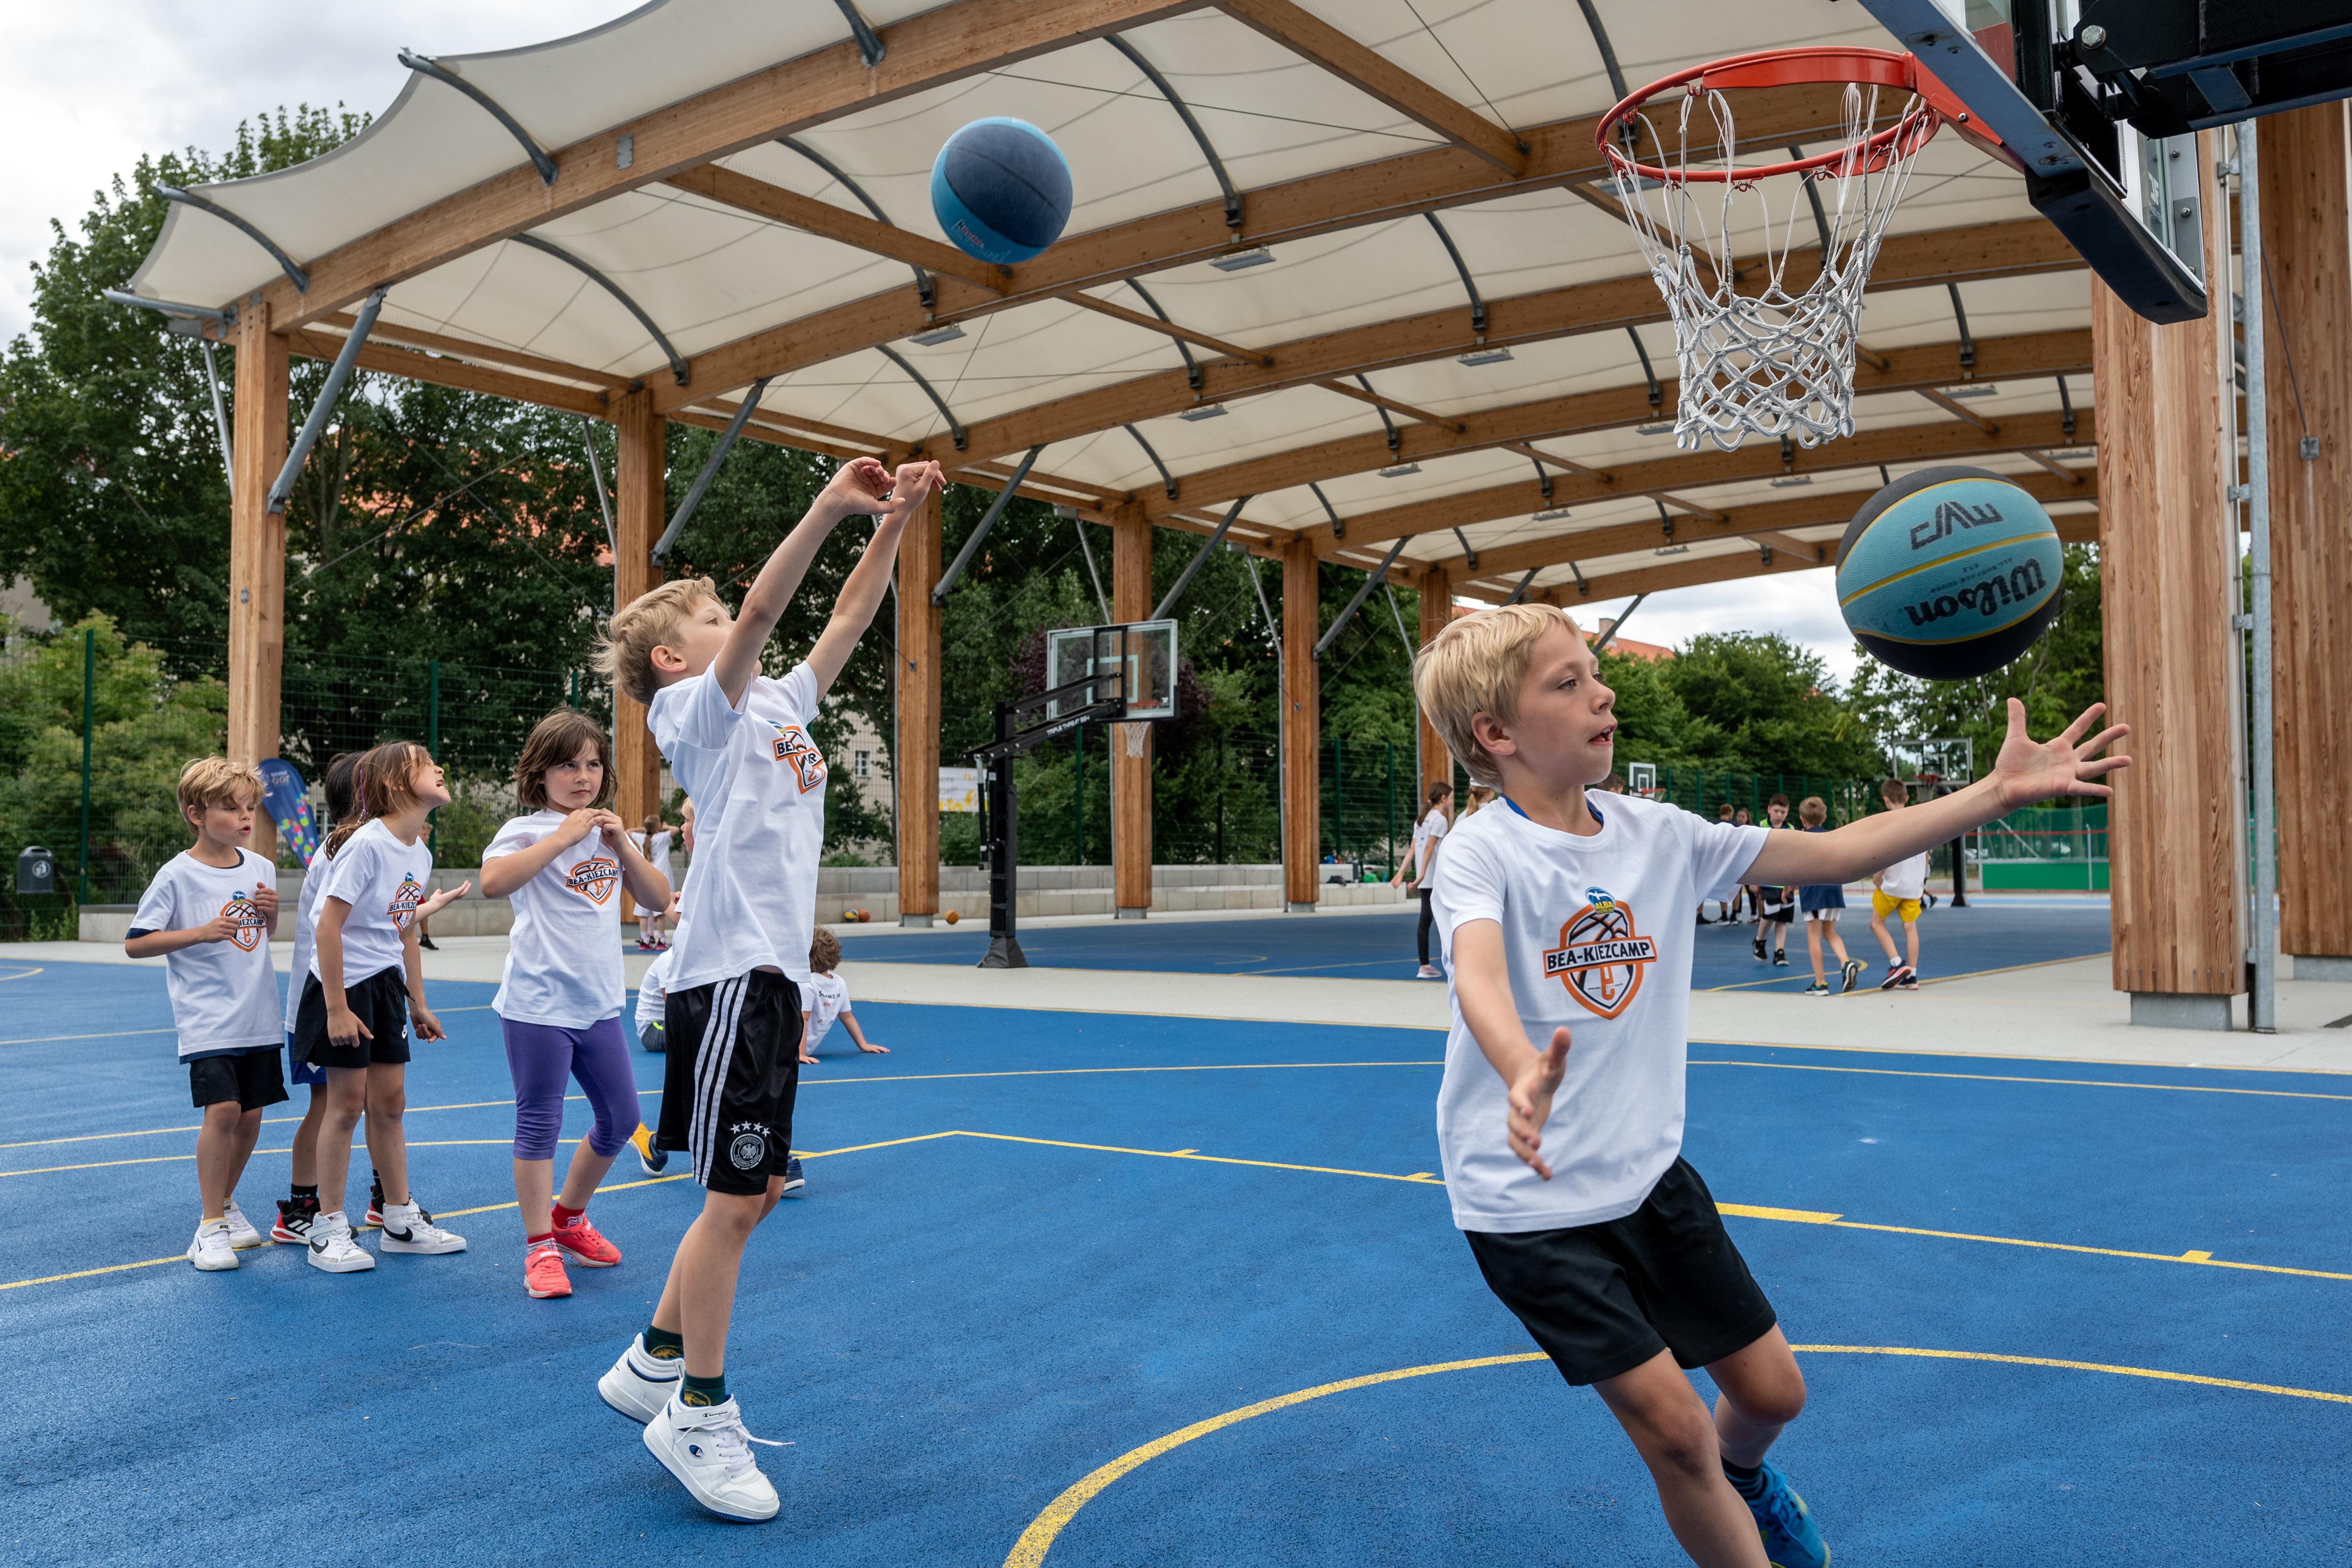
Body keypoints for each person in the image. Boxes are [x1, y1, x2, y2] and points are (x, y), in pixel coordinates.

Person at [1410, 602, 2126, 1568]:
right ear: (1495, 734)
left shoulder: (1659, 834)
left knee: (1772, 1397)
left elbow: (1836, 854)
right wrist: (1517, 1067)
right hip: (1527, 1206)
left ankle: (1753, 1482)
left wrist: (1986, 797)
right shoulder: (1480, 851)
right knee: (1675, 1431)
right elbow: (1479, 970)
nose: (1602, 689)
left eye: (1593, 669)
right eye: (1566, 681)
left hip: (1644, 1175)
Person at [593, 453, 941, 1522]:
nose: (727, 620)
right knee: (741, 1196)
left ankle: (653, 1357)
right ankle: (696, 1407)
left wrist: (895, 524)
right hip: (732, 973)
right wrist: (831, 503)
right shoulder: (691, 711)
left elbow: (840, 614)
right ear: (673, 652)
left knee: (742, 1193)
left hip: (768, 974)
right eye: (699, 616)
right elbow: (759, 607)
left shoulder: (779, 703)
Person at [481, 708, 673, 1301]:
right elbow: (493, 882)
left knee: (619, 1117)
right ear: (540, 774)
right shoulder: (524, 830)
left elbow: (659, 901)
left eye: (592, 764)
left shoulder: (611, 833)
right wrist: (561, 837)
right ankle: (539, 1245)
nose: (583, 776)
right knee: (540, 1122)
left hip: (597, 1005)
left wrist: (621, 843)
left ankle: (569, 1218)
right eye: (568, 765)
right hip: (538, 1004)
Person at [293, 741, 472, 1273]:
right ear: (395, 784)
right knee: (344, 1105)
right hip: (342, 987)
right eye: (425, 764)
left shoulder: (418, 849)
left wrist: (417, 1001)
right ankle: (327, 1228)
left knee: (390, 1103)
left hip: (383, 984)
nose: (440, 768)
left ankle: (399, 1219)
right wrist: (335, 1007)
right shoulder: (366, 845)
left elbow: (403, 929)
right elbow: (327, 926)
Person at [126, 758, 284, 1270]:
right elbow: (137, 944)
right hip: (208, 1017)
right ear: (196, 813)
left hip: (259, 1012)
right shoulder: (177, 874)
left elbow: (265, 934)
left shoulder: (260, 867)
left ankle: (228, 1203)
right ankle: (209, 1224)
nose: (244, 816)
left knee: (252, 1115)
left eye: (250, 807)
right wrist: (200, 931)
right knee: (222, 1112)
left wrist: (272, 914)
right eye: (229, 807)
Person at [272, 751, 361, 1245]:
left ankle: (386, 1194)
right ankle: (303, 1205)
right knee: (330, 1102)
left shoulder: (378, 845)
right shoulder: (339, 850)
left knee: (367, 1100)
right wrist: (335, 1005)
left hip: (363, 999)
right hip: (325, 1002)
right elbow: (328, 930)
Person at [1795, 797, 1866, 996]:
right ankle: (1846, 963)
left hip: (1813, 891)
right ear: (1824, 817)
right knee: (1830, 932)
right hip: (1833, 889)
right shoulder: (1832, 836)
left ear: (1802, 819)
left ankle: (1821, 982)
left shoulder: (1802, 840)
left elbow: (1796, 867)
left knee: (1813, 935)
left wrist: (1788, 887)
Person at [1869, 777, 1929, 990]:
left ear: (1886, 800)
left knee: (1876, 924)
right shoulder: (1919, 820)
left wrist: (1878, 875)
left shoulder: (1889, 821)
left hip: (1893, 884)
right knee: (1910, 927)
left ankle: (1896, 963)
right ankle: (1912, 976)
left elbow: (1888, 852)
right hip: (1914, 885)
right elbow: (1927, 853)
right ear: (1907, 798)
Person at [1391, 781, 1454, 978]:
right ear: (1443, 798)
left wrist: (1402, 873)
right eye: (1451, 798)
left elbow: (1413, 850)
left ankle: (1425, 965)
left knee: (1426, 920)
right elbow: (1428, 848)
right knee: (1450, 919)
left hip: (1428, 877)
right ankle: (1448, 963)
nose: (1452, 801)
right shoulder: (1440, 820)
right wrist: (1420, 875)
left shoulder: (1422, 820)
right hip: (1436, 877)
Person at [799, 928, 886, 1064]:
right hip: (803, 1048)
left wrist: (800, 1053)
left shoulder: (806, 983)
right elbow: (847, 1017)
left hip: (790, 1048)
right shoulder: (838, 982)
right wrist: (863, 1044)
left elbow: (802, 1019)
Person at [1750, 796, 1796, 967]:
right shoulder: (1761, 827)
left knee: (1783, 917)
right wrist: (1752, 879)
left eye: (1783, 812)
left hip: (1786, 880)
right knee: (1771, 911)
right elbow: (1753, 854)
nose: (1779, 815)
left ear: (1787, 813)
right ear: (1769, 809)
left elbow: (1794, 854)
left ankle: (1779, 951)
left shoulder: (1791, 829)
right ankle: (1759, 940)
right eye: (1776, 811)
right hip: (1767, 878)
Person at [634, 811, 676, 951]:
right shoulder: (662, 837)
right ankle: (661, 940)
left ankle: (645, 940)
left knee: (644, 913)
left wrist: (643, 829)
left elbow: (628, 832)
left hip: (646, 878)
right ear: (658, 826)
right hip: (662, 878)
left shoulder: (642, 838)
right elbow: (676, 830)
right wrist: (666, 827)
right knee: (662, 912)